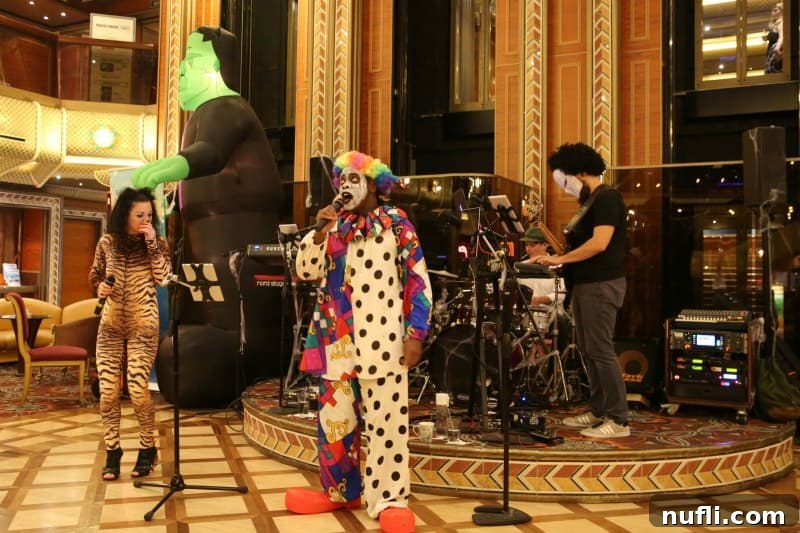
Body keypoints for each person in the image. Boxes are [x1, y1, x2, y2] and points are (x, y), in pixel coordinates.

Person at [284, 150, 432, 533]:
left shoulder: (397, 224)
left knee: (387, 423)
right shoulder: (335, 228)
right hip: (335, 343)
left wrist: (416, 334)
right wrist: (318, 230)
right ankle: (339, 491)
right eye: (342, 180)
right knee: (334, 423)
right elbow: (305, 270)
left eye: (354, 179)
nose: (346, 187)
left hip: (383, 341)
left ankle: (389, 497)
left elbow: (418, 281)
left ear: (374, 184)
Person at [534, 142, 628, 438]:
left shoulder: (608, 198)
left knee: (601, 350)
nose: (564, 187)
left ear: (582, 171)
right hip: (587, 285)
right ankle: (599, 409)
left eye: (565, 179)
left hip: (601, 285)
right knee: (590, 350)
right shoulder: (590, 202)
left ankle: (618, 419)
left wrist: (560, 258)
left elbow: (600, 243)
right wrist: (559, 256)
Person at [89, 187, 171, 480]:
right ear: (125, 214)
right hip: (110, 325)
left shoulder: (159, 243)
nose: (145, 220)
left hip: (143, 325)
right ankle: (113, 451)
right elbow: (95, 275)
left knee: (138, 390)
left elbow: (163, 278)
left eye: (149, 215)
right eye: (139, 215)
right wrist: (99, 287)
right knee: (108, 393)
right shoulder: (107, 243)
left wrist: (151, 244)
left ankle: (147, 448)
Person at [764, 2, 783, 74]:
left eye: (776, 10)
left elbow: (782, 36)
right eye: (773, 11)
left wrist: (777, 49)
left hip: (776, 52)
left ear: (782, 11)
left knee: (773, 73)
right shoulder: (776, 24)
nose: (773, 13)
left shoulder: (781, 23)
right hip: (772, 52)